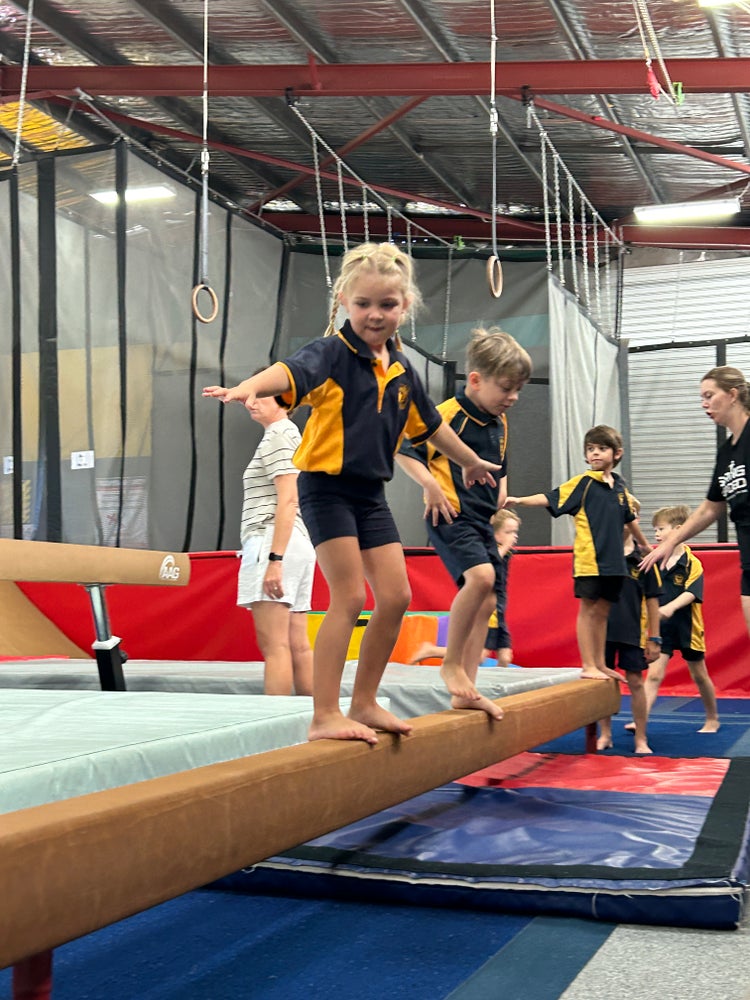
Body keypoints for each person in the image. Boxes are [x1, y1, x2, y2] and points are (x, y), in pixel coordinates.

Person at [203, 242, 502, 745]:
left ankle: (364, 701)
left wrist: (469, 460)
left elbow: (429, 427)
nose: (374, 314)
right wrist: (247, 387)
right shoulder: (332, 353)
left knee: (398, 596)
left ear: (404, 307)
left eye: (387, 305)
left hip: (368, 493)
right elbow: (289, 372)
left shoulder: (402, 369)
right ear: (344, 300)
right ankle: (325, 713)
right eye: (363, 304)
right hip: (325, 488)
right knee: (349, 596)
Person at [397, 328, 531, 716]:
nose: (514, 398)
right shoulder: (447, 415)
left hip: (481, 519)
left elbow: (500, 464)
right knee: (483, 579)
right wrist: (429, 487)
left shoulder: (499, 422)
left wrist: (502, 491)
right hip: (450, 514)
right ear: (475, 380)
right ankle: (451, 664)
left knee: (488, 601)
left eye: (518, 389)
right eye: (506, 388)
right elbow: (406, 451)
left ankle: (465, 690)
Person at [505, 425, 651, 681]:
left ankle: (600, 663)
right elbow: (550, 497)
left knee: (603, 611)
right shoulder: (583, 484)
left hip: (615, 562)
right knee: (588, 610)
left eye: (601, 449)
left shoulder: (619, 487)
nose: (595, 454)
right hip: (589, 561)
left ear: (617, 454)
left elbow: (630, 518)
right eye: (590, 449)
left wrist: (644, 543)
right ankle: (589, 664)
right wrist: (519, 500)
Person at [641, 366, 750, 643]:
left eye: (709, 395)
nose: (704, 403)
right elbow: (711, 508)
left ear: (732, 395)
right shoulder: (727, 452)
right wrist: (669, 542)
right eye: (701, 397)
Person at [236, 383, 315, 696]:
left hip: (274, 539)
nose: (251, 404)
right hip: (296, 542)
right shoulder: (289, 433)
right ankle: (316, 722)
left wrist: (274, 560)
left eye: (260, 397)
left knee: (276, 647)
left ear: (285, 399)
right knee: (298, 646)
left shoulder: (278, 436)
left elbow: (288, 498)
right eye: (249, 398)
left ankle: (278, 735)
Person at [638, 505, 719, 733]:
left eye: (660, 529)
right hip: (661, 627)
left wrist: (671, 607)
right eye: (654, 529)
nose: (656, 534)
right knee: (653, 675)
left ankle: (712, 717)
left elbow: (693, 592)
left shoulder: (692, 562)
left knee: (699, 674)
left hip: (687, 627)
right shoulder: (654, 560)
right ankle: (640, 719)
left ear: (679, 529)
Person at [409, 508, 522, 669]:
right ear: (494, 534)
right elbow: (491, 564)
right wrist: (503, 548)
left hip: (500, 608)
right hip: (490, 610)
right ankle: (431, 650)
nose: (514, 536)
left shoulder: (506, 551)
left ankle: (501, 689)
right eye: (509, 532)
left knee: (505, 656)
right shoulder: (490, 551)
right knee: (479, 655)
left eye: (515, 532)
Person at [596, 501, 662, 755]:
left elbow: (654, 600)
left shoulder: (644, 558)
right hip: (603, 632)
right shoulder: (601, 554)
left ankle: (641, 738)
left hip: (633, 632)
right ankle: (605, 734)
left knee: (635, 681)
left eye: (628, 519)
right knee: (603, 684)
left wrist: (654, 637)